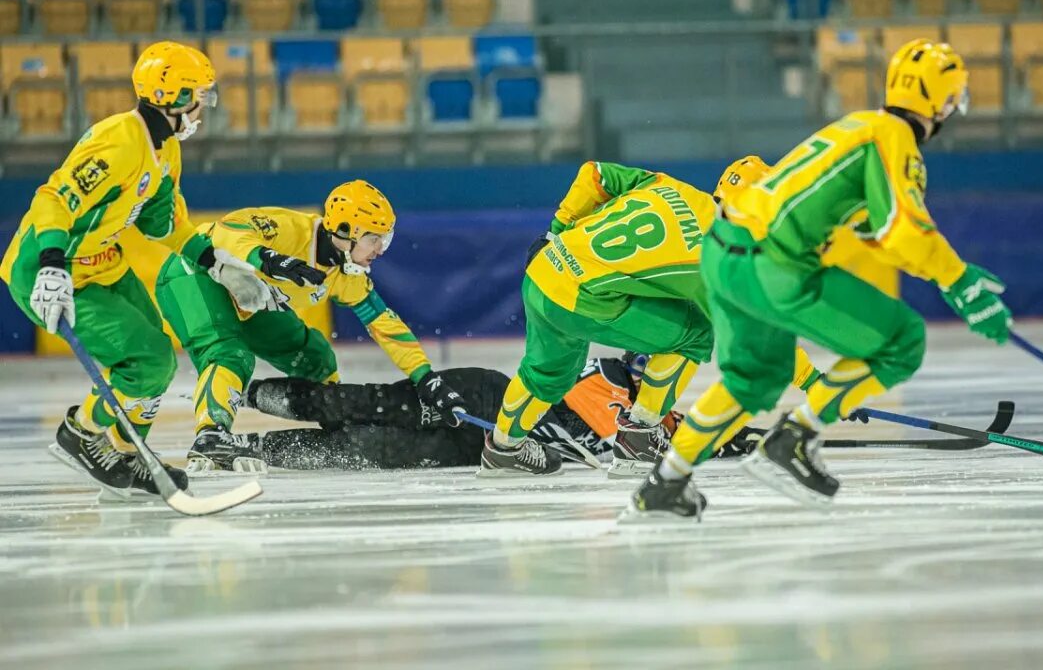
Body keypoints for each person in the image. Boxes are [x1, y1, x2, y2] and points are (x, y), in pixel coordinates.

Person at [627, 39, 1013, 521]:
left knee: (754, 380)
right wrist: (962, 285)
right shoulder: (894, 138)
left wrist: (953, 272)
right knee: (903, 340)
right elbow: (903, 228)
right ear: (944, 100)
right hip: (775, 261)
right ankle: (794, 439)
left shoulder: (857, 125)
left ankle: (664, 484)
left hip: (723, 252)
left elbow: (878, 231)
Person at [0, 42, 270, 497]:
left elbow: (163, 223)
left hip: (103, 264)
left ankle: (127, 452)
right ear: (173, 96)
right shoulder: (120, 141)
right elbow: (53, 199)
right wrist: (49, 265)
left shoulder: (165, 149)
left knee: (158, 359)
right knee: (148, 362)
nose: (204, 104)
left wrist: (217, 264)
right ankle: (82, 433)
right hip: (52, 269)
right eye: (198, 94)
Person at [481, 159, 819, 478]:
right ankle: (640, 435)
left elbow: (594, 175)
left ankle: (503, 449)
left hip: (545, 269)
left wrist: (556, 230)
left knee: (548, 372)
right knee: (699, 331)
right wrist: (814, 383)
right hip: (582, 300)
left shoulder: (668, 185)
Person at [154, 180, 467, 472]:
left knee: (314, 356)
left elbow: (386, 325)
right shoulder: (291, 228)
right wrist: (268, 258)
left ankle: (335, 421)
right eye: (374, 238)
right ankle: (211, 436)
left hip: (249, 300)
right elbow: (224, 232)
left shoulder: (346, 276)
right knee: (229, 354)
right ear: (346, 231)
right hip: (194, 272)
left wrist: (426, 379)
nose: (381, 249)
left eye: (386, 238)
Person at [240, 353, 767, 470]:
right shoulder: (602, 378)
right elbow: (621, 442)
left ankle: (249, 451)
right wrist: (709, 439)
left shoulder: (649, 407)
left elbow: (674, 431)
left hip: (482, 444)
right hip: (485, 401)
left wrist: (732, 435)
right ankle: (240, 395)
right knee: (356, 405)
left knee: (364, 450)